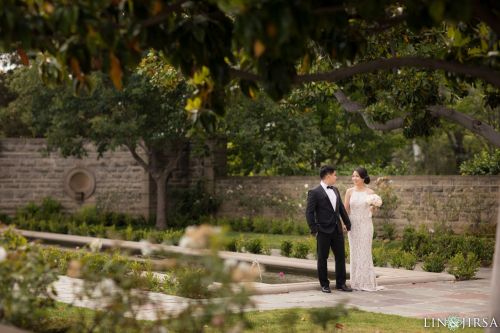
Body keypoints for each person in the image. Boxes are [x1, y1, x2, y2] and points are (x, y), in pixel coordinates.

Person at [306, 165, 352, 293]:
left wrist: (348, 224)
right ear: (328, 176)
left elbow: (341, 208)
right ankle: (324, 284)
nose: (336, 177)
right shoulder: (314, 192)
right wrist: (314, 229)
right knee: (322, 258)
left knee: (340, 257)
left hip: (337, 229)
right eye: (335, 175)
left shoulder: (336, 190)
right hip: (323, 231)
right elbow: (309, 213)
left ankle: (341, 283)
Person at [344, 167, 384, 291]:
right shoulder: (349, 191)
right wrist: (344, 224)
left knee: (365, 252)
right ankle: (355, 282)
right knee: (355, 253)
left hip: (366, 225)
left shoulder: (370, 192)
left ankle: (366, 282)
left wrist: (374, 208)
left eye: (357, 176)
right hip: (353, 225)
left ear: (363, 177)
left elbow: (373, 210)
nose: (354, 178)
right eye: (353, 176)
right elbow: (345, 210)